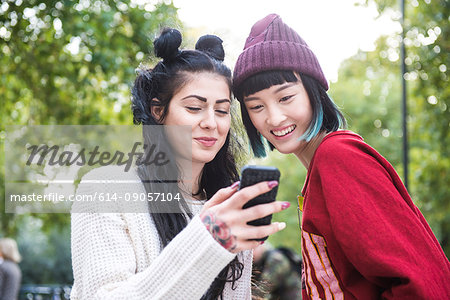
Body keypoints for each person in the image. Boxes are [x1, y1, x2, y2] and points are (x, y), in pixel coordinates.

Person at [233, 13, 450, 300]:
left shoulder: (338, 157)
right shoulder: (318, 170)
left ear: (313, 91)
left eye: (285, 97)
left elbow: (420, 284)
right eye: (256, 106)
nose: (274, 117)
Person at [70, 28, 290, 300]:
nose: (211, 122)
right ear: (158, 111)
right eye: (194, 108)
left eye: (221, 110)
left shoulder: (226, 206)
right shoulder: (105, 189)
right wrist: (206, 238)